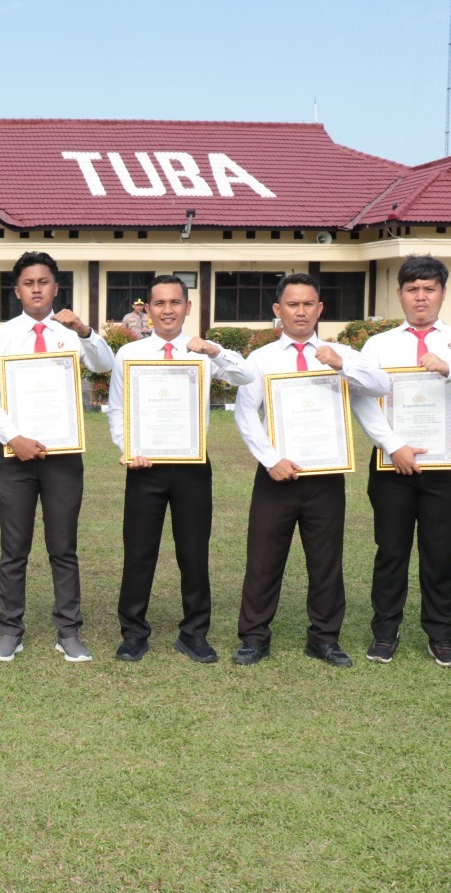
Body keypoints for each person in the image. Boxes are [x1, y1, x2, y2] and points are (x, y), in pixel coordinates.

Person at [232, 273, 388, 668]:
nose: (300, 311)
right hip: (276, 475)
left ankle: (324, 638)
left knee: (326, 560)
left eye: (308, 304)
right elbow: (246, 414)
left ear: (320, 309)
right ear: (277, 310)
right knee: (264, 559)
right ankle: (254, 637)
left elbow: (381, 385)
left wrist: (341, 365)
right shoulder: (261, 359)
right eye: (292, 304)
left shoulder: (340, 354)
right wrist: (270, 459)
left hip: (326, 474)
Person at [349, 255, 451, 667]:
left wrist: (450, 369)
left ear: (442, 293)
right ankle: (385, 631)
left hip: (447, 466)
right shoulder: (380, 344)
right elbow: (363, 398)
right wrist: (393, 445)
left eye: (429, 288)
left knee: (439, 552)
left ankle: (441, 635)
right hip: (391, 465)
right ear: (400, 294)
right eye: (412, 289)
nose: (420, 296)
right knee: (391, 551)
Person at [0, 251, 113, 662]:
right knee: (14, 547)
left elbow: (104, 365)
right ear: (17, 291)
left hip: (63, 454)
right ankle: (9, 631)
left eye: (44, 281)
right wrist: (13, 437)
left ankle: (68, 631)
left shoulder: (70, 331)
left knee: (63, 546)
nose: (37, 288)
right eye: (29, 282)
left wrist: (84, 330)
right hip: (16, 455)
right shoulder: (2, 336)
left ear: (56, 287)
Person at [107, 274, 253, 663]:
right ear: (147, 309)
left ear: (188, 308)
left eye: (175, 302)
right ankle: (133, 632)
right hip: (145, 465)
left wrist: (213, 350)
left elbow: (246, 376)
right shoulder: (129, 355)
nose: (167, 310)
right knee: (139, 551)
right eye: (159, 303)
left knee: (193, 551)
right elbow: (118, 410)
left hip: (191, 465)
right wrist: (127, 448)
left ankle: (194, 633)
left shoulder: (201, 351)